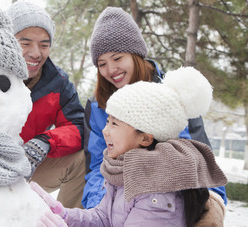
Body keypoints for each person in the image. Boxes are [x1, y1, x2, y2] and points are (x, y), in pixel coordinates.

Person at [31, 66, 228, 227]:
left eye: (114, 124)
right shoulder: (123, 170)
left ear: (145, 138)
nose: (105, 131)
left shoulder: (157, 190)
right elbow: (102, 218)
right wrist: (62, 214)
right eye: (107, 122)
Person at [83, 6, 227, 209]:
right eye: (102, 64)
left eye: (117, 58)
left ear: (135, 54)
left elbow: (200, 160)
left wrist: (211, 206)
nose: (111, 70)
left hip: (171, 200)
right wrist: (100, 210)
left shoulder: (173, 94)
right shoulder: (97, 106)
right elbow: (96, 166)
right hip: (119, 200)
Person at [6, 1, 85, 208]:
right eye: (26, 43)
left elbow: (78, 125)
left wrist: (46, 141)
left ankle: (67, 220)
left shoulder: (57, 83)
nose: (36, 53)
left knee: (82, 159)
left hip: (28, 167)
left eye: (44, 44)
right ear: (7, 40)